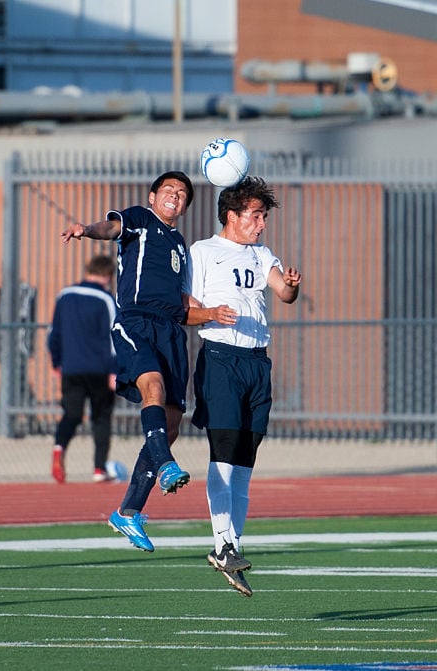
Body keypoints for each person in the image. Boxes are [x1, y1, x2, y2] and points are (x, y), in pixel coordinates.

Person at [61, 170, 229, 552]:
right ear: (153, 197)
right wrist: (86, 230)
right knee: (151, 384)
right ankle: (167, 465)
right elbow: (112, 228)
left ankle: (128, 511)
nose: (176, 195)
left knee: (171, 423)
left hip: (171, 330)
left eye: (183, 193)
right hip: (137, 321)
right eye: (169, 189)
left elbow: (183, 309)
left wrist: (214, 313)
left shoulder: (180, 244)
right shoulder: (140, 219)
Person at [186, 176, 301, 597]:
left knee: (247, 461)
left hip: (257, 362)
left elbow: (283, 294)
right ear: (232, 216)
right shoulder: (202, 252)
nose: (262, 224)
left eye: (264, 216)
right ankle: (222, 543)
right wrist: (210, 312)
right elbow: (184, 308)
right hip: (220, 359)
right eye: (256, 216)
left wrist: (291, 284)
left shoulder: (261, 253)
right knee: (225, 451)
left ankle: (233, 548)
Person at [47, 254, 118, 483]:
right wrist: (115, 370)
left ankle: (59, 448)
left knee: (72, 414)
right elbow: (114, 337)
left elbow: (53, 334)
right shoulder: (106, 299)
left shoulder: (64, 296)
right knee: (101, 418)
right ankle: (99, 469)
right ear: (107, 275)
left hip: (72, 368)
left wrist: (56, 362)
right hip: (99, 369)